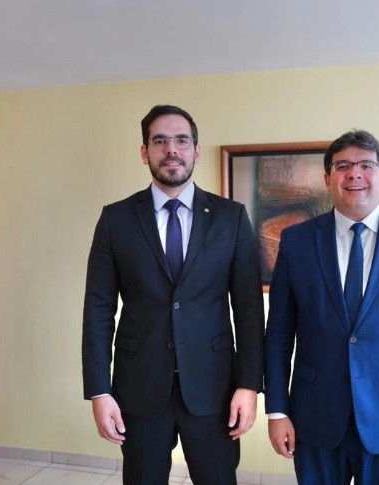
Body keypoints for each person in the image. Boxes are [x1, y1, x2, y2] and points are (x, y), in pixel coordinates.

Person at [82, 104, 264, 484]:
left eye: (182, 140)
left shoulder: (231, 217)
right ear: (144, 151)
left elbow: (247, 310)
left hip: (214, 388)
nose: (171, 150)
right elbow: (98, 310)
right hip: (139, 386)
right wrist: (99, 390)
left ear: (196, 151)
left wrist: (249, 385)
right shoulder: (115, 220)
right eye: (160, 141)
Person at [264, 130, 379, 484]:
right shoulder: (296, 241)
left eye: (366, 165)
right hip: (315, 415)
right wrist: (276, 411)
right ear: (327, 179)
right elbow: (277, 334)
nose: (354, 174)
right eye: (343, 166)